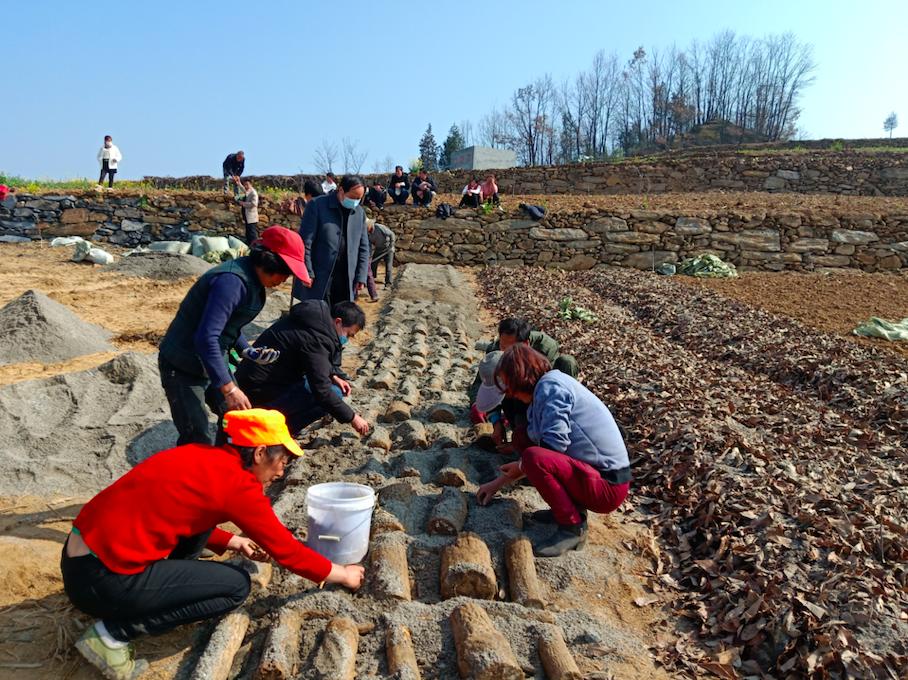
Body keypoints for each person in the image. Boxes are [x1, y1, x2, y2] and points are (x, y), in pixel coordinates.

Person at [62, 408, 365, 680]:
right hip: (102, 581)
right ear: (259, 453)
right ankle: (112, 635)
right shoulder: (238, 485)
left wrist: (233, 541)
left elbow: (182, 514)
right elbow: (285, 550)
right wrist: (342, 574)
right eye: (281, 461)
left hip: (80, 561)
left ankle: (140, 594)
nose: (281, 471)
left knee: (198, 549)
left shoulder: (203, 456)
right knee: (235, 586)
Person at [158, 226, 311, 446]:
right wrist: (229, 389)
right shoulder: (231, 282)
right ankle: (192, 475)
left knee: (236, 417)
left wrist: (247, 350)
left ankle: (224, 466)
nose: (285, 280)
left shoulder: (253, 281)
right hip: (182, 365)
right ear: (269, 262)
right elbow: (206, 337)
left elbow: (229, 326)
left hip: (210, 361)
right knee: (196, 435)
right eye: (285, 272)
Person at [476, 345, 631, 557]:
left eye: (507, 385)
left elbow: (553, 447)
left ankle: (572, 527)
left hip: (608, 486)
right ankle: (567, 510)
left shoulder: (552, 389)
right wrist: (495, 484)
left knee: (533, 457)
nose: (509, 393)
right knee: (522, 438)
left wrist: (521, 466)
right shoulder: (542, 392)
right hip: (591, 474)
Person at [237, 301, 371, 437]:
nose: (347, 339)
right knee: (333, 393)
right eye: (348, 334)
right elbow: (321, 391)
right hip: (259, 390)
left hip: (253, 379)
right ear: (338, 322)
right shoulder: (318, 338)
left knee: (328, 386)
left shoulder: (313, 321)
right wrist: (353, 417)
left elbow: (312, 360)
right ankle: (279, 432)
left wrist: (333, 376)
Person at [470, 318, 580, 450]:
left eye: (510, 348)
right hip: (518, 398)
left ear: (526, 344)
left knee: (567, 362)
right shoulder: (495, 351)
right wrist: (494, 418)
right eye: (502, 347)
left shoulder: (545, 349)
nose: (505, 353)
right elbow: (484, 384)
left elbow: (544, 390)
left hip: (539, 400)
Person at [293, 175, 369, 307]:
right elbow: (305, 242)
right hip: (320, 277)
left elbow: (363, 247)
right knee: (317, 317)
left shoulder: (359, 213)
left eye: (359, 199)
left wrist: (361, 275)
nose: (356, 202)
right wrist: (307, 271)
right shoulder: (317, 206)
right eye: (353, 197)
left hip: (346, 277)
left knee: (339, 320)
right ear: (341, 191)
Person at [367, 218, 395, 289]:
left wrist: (391, 246)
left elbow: (392, 234)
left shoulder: (379, 227)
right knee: (373, 264)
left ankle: (388, 283)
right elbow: (369, 245)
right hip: (379, 249)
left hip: (388, 249)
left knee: (388, 267)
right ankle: (372, 280)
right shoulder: (367, 233)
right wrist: (369, 256)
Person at [235, 178, 259, 244]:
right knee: (248, 232)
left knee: (252, 233)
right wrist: (239, 184)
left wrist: (243, 203)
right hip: (247, 216)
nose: (245, 186)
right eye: (245, 184)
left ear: (251, 184)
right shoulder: (249, 191)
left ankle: (254, 246)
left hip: (251, 217)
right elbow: (244, 190)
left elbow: (254, 204)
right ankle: (249, 245)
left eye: (247, 184)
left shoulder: (253, 192)